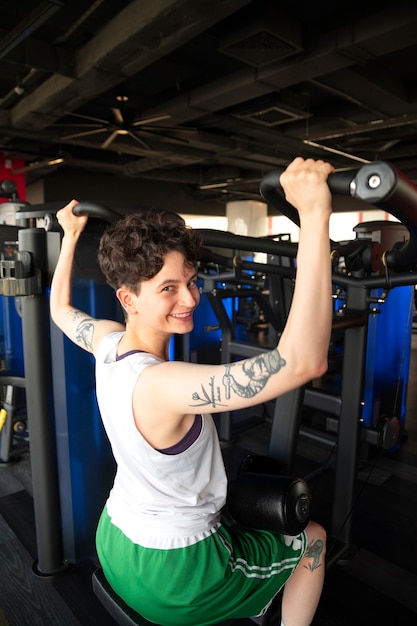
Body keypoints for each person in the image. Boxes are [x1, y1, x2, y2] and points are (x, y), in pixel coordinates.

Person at [50, 156, 334, 626]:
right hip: (176, 574)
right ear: (128, 298)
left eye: (191, 281)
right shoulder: (163, 384)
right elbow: (304, 362)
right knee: (315, 538)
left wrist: (70, 236)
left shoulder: (105, 341)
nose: (189, 299)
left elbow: (60, 309)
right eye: (168, 289)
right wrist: (314, 214)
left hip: (116, 538)